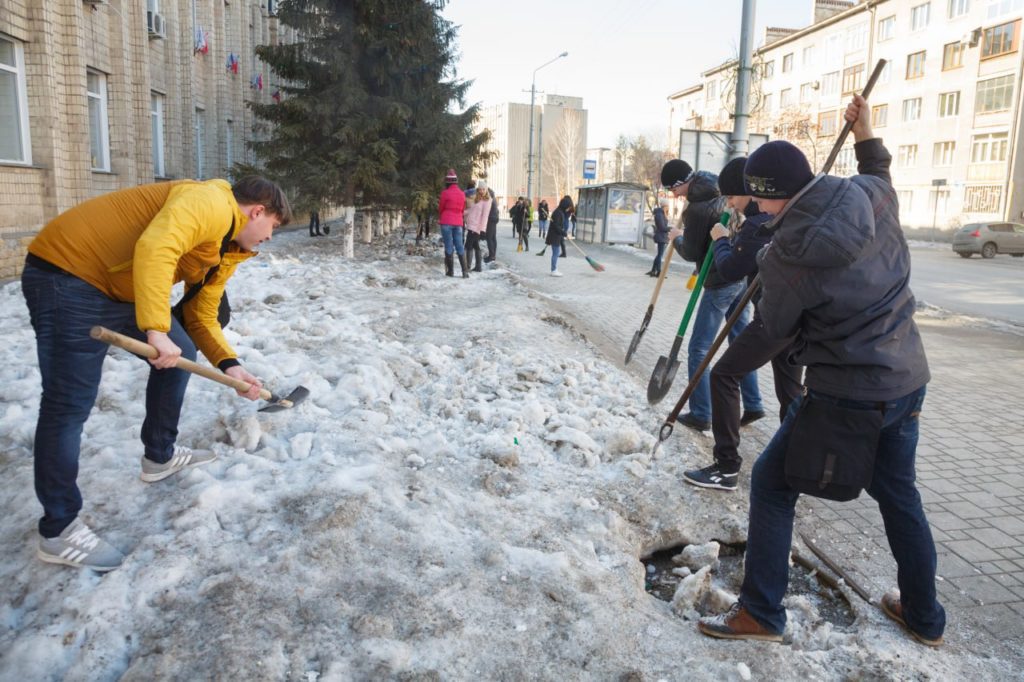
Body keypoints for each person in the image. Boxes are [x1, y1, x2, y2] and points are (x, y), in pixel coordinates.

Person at [698, 96, 945, 647]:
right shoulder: (867, 195)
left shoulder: (787, 254)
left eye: (759, 206)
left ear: (768, 197)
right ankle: (925, 617)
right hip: (907, 375)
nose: (756, 215)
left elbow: (778, 326)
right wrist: (866, 128)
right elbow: (877, 168)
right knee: (899, 493)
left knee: (771, 483)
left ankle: (760, 611)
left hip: (846, 392)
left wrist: (761, 261)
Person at [21, 176, 292, 572]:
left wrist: (232, 366)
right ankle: (58, 530)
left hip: (118, 289)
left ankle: (159, 456)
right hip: (67, 274)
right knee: (67, 404)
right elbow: (156, 247)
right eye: (273, 227)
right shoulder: (211, 203)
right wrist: (155, 329)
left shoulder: (226, 248)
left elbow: (201, 313)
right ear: (257, 211)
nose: (270, 237)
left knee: (183, 349)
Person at [682, 157, 803, 492]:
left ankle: (726, 466)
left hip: (774, 317)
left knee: (723, 374)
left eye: (733, 196)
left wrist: (721, 238)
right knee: (790, 391)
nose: (729, 203)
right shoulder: (788, 216)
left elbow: (732, 268)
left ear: (749, 192)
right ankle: (797, 463)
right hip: (798, 318)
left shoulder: (757, 224)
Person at [662, 159, 763, 433]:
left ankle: (701, 412)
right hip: (739, 276)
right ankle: (753, 403)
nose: (674, 195)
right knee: (740, 341)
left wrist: (676, 238)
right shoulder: (719, 191)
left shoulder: (696, 209)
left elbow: (693, 253)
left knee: (698, 348)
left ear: (683, 183)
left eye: (674, 189)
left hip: (720, 280)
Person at [438, 168, 468, 278]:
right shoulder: (462, 194)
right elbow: (462, 208)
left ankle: (450, 272)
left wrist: (441, 216)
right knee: (460, 245)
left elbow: (441, 207)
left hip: (446, 221)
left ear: (447, 182)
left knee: (449, 246)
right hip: (458, 222)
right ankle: (465, 272)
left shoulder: (445, 193)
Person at [464, 180, 491, 272]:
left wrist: (483, 230)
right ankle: (478, 267)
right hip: (471, 224)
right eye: (480, 189)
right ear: (478, 189)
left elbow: (485, 216)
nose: (482, 191)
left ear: (486, 189)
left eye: (484, 189)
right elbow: (471, 210)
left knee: (468, 246)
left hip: (476, 227)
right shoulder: (477, 198)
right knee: (475, 246)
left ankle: (467, 267)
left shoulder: (487, 201)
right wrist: (461, 213)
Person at [547, 195, 573, 277]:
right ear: (565, 205)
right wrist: (564, 233)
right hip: (554, 236)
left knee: (556, 252)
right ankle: (553, 270)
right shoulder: (558, 213)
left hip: (556, 235)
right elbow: (556, 226)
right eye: (568, 206)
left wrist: (563, 233)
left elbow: (558, 226)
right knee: (556, 253)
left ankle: (554, 269)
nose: (568, 208)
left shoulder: (560, 211)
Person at [647, 197, 671, 277]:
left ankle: (653, 271)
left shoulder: (662, 213)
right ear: (665, 205)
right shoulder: (659, 214)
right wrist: (671, 229)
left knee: (659, 254)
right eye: (668, 205)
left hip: (662, 236)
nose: (669, 207)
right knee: (660, 255)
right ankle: (659, 272)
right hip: (661, 236)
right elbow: (662, 227)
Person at [484, 187, 499, 264]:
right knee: (493, 238)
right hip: (494, 219)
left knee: (489, 238)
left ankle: (491, 256)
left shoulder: (490, 200)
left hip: (491, 219)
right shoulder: (494, 199)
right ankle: (493, 255)